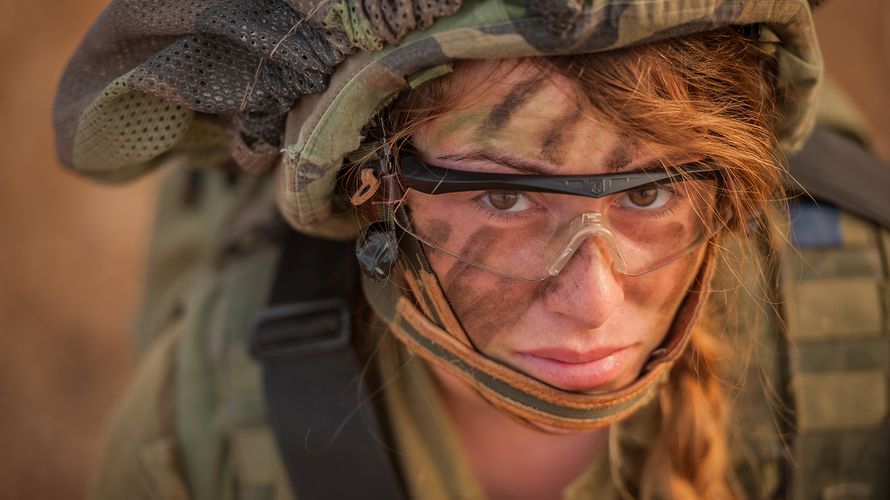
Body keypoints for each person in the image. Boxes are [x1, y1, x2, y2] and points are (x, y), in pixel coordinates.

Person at [54, 1, 884, 499]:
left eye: (648, 193)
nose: (592, 300)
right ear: (368, 190)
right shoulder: (202, 425)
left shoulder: (864, 329)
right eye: (502, 196)